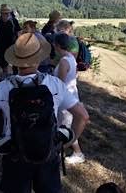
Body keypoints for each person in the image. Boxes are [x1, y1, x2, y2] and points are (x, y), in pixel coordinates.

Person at [0, 33, 89, 193]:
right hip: (48, 151)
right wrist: (67, 142)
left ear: (15, 60)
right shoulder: (55, 84)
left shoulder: (3, 87)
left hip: (15, 153)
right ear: (39, 58)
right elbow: (82, 116)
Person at [53, 33, 86, 164]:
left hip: (65, 97)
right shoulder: (71, 57)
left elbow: (60, 83)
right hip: (72, 93)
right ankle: (62, 150)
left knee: (65, 126)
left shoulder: (63, 61)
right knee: (66, 124)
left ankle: (78, 153)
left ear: (57, 45)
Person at [0, 4, 22, 74]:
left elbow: (19, 32)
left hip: (12, 45)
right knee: (3, 64)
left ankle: (15, 76)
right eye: (5, 13)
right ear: (1, 13)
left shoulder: (14, 21)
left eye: (8, 13)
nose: (7, 14)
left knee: (14, 64)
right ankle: (5, 77)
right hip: (1, 47)